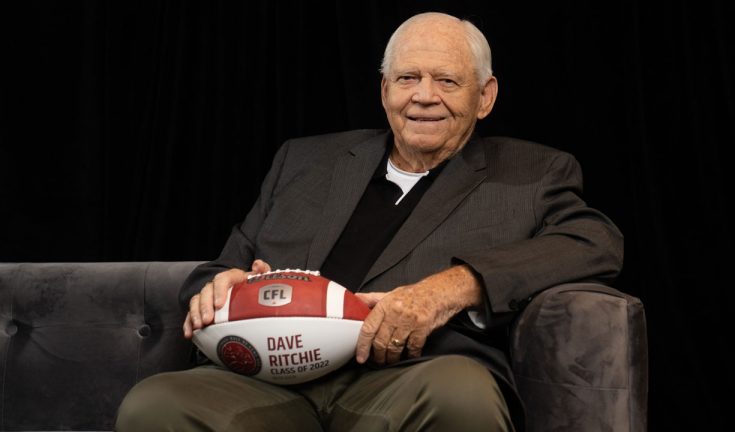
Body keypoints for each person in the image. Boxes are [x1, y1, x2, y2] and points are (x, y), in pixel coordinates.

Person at [116, 11, 622, 432]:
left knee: (462, 397)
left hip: (412, 377)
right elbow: (225, 264)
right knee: (155, 403)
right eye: (408, 78)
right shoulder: (304, 162)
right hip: (272, 377)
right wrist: (219, 284)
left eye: (447, 81)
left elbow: (595, 240)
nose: (424, 96)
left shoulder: (532, 173)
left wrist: (452, 288)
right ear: (385, 90)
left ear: (484, 96)